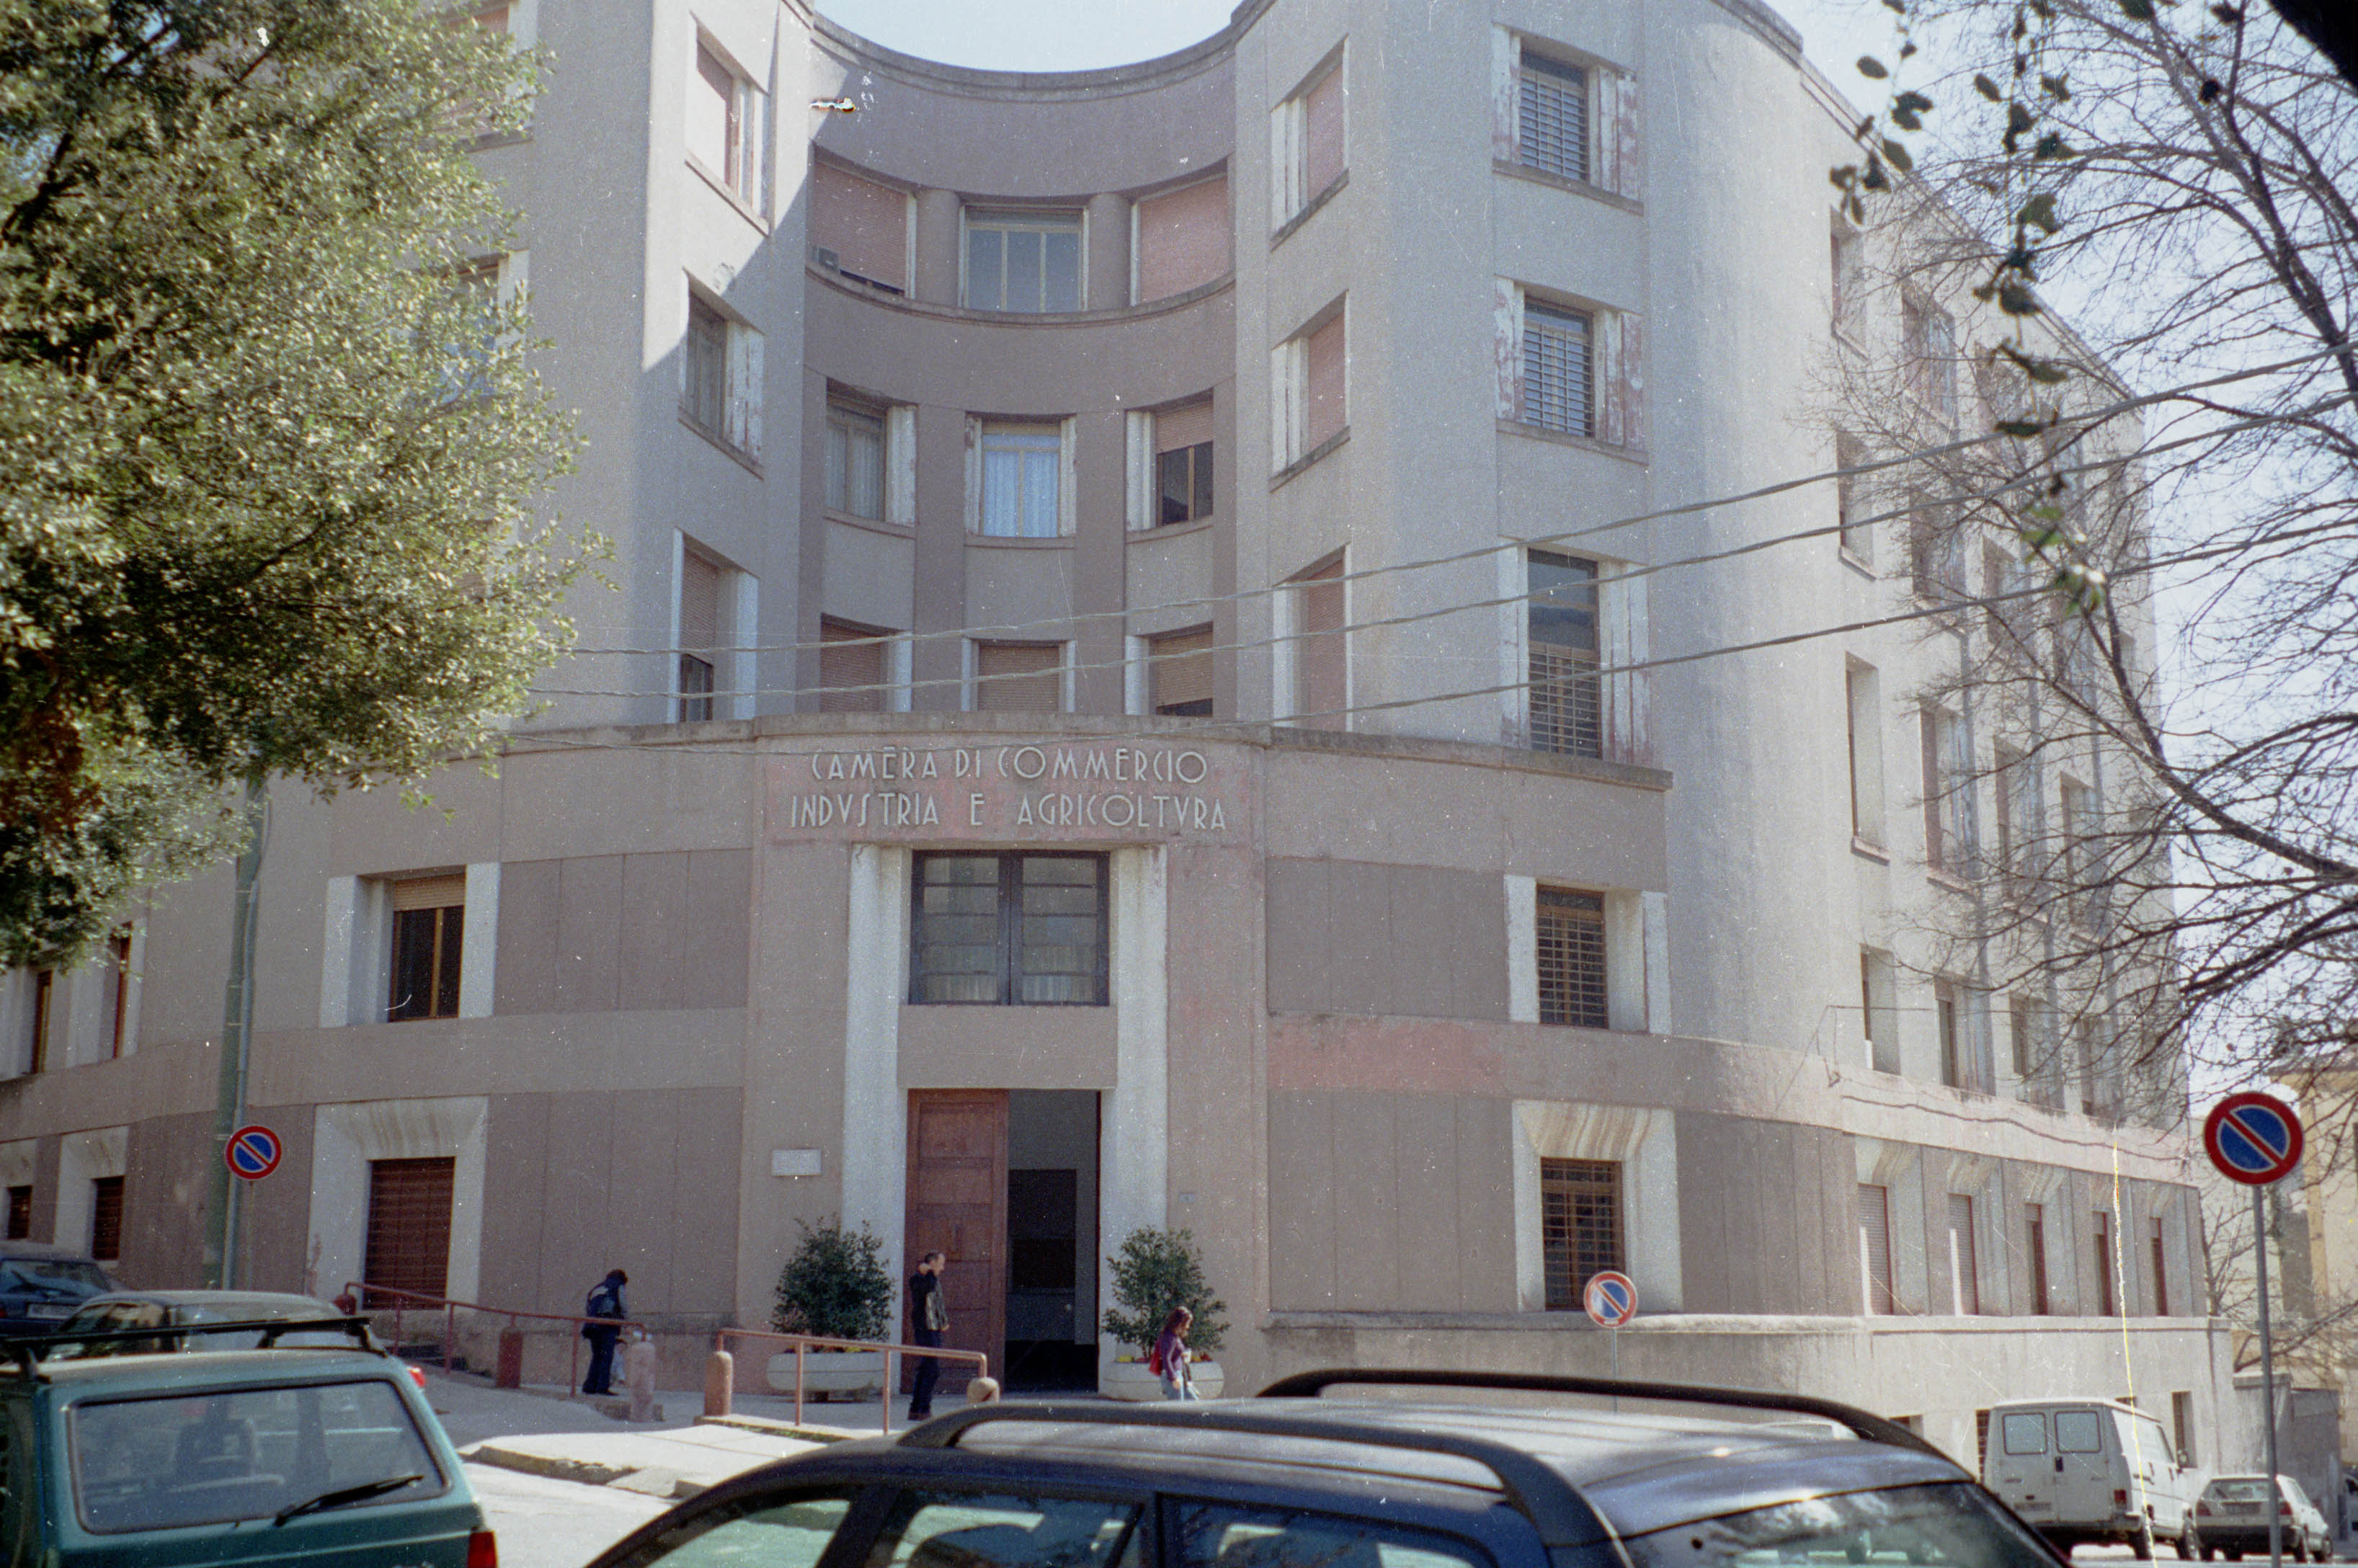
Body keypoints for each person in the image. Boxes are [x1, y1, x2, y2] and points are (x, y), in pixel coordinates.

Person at [906, 1250, 948, 1420]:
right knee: (932, 1369)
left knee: (926, 1368)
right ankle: (923, 1408)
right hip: (925, 1330)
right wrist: (927, 1271)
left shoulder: (933, 1279)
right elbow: (927, 1288)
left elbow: (937, 1302)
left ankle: (916, 1409)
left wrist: (943, 1321)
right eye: (940, 1264)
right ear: (932, 1263)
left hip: (935, 1329)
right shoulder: (918, 1279)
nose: (942, 1268)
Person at [580, 1268, 628, 1396]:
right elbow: (623, 1304)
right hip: (607, 1324)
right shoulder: (618, 1285)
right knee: (606, 1357)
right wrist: (624, 1320)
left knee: (597, 1356)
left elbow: (589, 1306)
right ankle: (602, 1388)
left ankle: (590, 1386)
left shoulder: (597, 1288)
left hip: (592, 1325)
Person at [1154, 1306, 1198, 1401]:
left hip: (1179, 1374)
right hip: (1174, 1375)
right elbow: (1166, 1358)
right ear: (1180, 1323)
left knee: (1193, 1402)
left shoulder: (1173, 1336)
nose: (1188, 1327)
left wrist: (1181, 1354)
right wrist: (1173, 1378)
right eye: (1187, 1323)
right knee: (1178, 1408)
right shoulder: (1170, 1337)